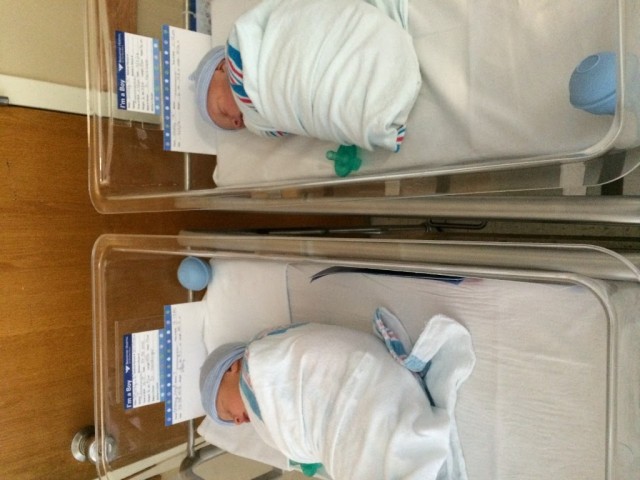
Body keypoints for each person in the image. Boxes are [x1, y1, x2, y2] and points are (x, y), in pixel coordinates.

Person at [200, 310, 475, 480]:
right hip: (372, 377)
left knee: (377, 451)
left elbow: (307, 363)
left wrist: (302, 455)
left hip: (361, 383)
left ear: (231, 368)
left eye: (227, 412)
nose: (239, 422)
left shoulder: (261, 360)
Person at [192, 0, 421, 153]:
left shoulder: (244, 48)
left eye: (222, 112)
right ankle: (372, 105)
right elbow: (286, 120)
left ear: (222, 67)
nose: (236, 121)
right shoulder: (256, 122)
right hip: (316, 90)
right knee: (344, 105)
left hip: (331, 43)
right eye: (232, 126)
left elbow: (291, 25)